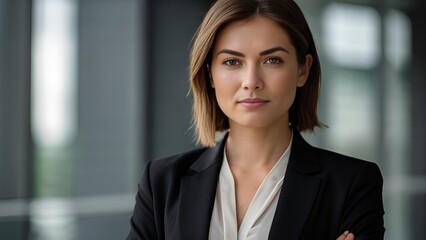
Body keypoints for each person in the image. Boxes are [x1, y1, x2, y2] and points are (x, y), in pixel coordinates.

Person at [126, 0, 385, 239]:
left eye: (273, 60)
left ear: (303, 70)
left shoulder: (352, 184)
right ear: (210, 75)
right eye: (232, 62)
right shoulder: (161, 181)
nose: (251, 82)